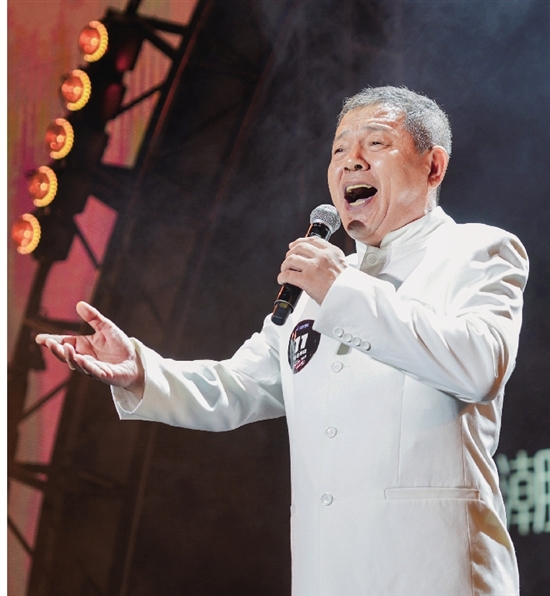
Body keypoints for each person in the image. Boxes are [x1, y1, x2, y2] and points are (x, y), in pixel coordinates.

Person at [37, 86, 528, 596]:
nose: (351, 161)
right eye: (339, 149)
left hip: (436, 574)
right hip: (328, 577)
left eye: (376, 143)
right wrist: (141, 369)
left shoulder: (476, 250)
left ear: (433, 167)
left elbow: (480, 365)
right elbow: (237, 385)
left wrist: (341, 289)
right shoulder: (317, 288)